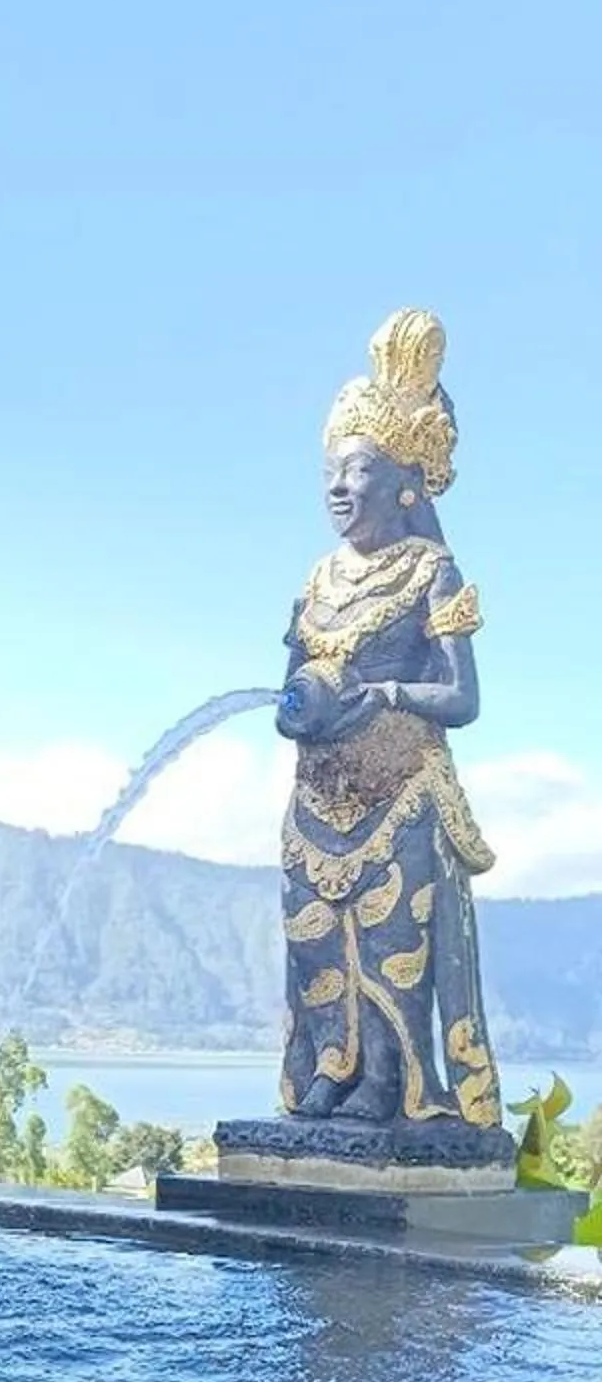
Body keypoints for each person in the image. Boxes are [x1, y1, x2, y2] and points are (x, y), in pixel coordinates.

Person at [272, 309, 501, 1128]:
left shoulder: (432, 571)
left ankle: (394, 1085)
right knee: (314, 947)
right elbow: (286, 689)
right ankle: (330, 1070)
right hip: (315, 801)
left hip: (399, 793)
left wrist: (388, 698)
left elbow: (464, 700)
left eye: (358, 469)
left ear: (404, 484)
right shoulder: (317, 579)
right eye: (332, 470)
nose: (339, 485)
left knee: (388, 948)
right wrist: (300, 710)